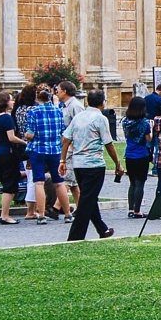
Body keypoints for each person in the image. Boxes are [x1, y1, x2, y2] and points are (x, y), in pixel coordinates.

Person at [60, 89, 122, 241]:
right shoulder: (100, 119)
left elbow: (66, 139)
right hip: (94, 164)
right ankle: (75, 236)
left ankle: (102, 229)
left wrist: (62, 160)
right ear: (102, 102)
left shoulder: (78, 117)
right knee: (87, 200)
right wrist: (117, 163)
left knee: (89, 197)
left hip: (78, 164)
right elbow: (108, 143)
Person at [25, 88, 72, 223]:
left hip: (38, 150)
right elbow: (63, 132)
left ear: (37, 97)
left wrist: (26, 136)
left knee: (39, 182)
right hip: (55, 150)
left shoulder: (33, 112)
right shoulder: (58, 111)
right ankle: (68, 214)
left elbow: (30, 133)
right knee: (59, 182)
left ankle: (41, 215)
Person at [0, 91, 25, 224]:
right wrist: (25, 142)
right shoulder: (7, 118)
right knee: (10, 186)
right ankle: (5, 215)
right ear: (5, 102)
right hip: (8, 153)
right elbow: (11, 138)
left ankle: (5, 215)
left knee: (7, 181)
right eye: (10, 100)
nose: (13, 102)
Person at [121, 96, 152, 218]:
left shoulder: (125, 121)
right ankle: (137, 210)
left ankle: (130, 208)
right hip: (141, 154)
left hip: (129, 154)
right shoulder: (144, 123)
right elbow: (148, 139)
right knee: (140, 183)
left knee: (132, 183)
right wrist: (152, 130)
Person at [12, 84, 38, 219]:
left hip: (24, 146)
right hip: (34, 145)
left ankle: (34, 209)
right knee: (34, 179)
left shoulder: (19, 109)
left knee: (31, 178)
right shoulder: (34, 109)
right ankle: (31, 210)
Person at [57, 80, 84, 207]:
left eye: (58, 90)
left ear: (65, 92)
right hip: (66, 145)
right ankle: (81, 207)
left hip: (73, 146)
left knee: (68, 178)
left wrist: (74, 144)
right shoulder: (65, 105)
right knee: (73, 181)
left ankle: (56, 207)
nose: (56, 92)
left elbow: (81, 126)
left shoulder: (75, 106)